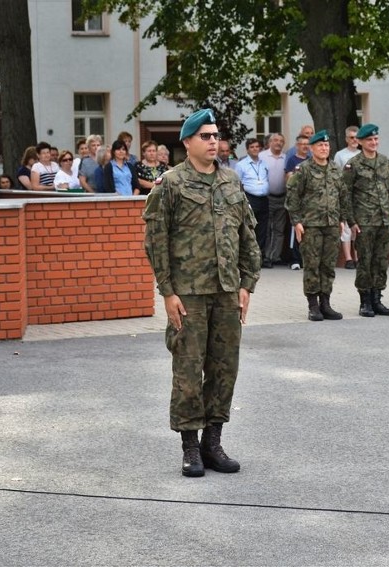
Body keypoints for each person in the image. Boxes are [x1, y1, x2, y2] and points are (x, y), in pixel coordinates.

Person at [142, 108, 261, 478]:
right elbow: (156, 241)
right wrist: (167, 292)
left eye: (216, 136)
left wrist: (247, 284)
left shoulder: (230, 181)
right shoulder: (171, 184)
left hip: (227, 292)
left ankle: (213, 442)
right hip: (188, 294)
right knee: (189, 371)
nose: (214, 141)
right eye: (205, 136)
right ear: (188, 142)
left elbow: (247, 236)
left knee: (225, 368)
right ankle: (190, 447)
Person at [286, 130, 349, 321]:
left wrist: (341, 219)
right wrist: (296, 222)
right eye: (320, 145)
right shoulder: (303, 169)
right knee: (312, 265)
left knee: (328, 265)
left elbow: (343, 196)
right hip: (311, 225)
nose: (324, 148)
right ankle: (313, 305)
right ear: (312, 148)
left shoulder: (336, 170)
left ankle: (326, 303)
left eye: (326, 145)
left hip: (331, 225)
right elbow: (292, 197)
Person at [342, 123, 389, 317]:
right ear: (360, 142)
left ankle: (377, 298)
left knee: (381, 261)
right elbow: (345, 193)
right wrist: (351, 220)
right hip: (364, 220)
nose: (374, 143)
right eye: (369, 140)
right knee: (365, 261)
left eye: (376, 139)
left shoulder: (384, 161)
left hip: (384, 220)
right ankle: (365, 301)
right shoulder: (353, 165)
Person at [236, 138, 272, 268]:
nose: (255, 149)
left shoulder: (264, 164)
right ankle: (248, 258)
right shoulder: (241, 165)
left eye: (257, 147)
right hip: (250, 198)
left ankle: (260, 257)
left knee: (263, 230)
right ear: (247, 149)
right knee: (250, 228)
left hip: (264, 199)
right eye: (252, 147)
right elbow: (238, 184)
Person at [334, 125, 361, 269]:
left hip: (359, 196)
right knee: (345, 227)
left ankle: (357, 257)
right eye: (351, 137)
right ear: (346, 139)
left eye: (356, 137)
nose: (354, 140)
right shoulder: (340, 155)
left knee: (357, 226)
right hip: (345, 194)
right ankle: (348, 258)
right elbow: (337, 175)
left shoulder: (362, 154)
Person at [259, 133, 288, 266]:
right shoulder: (262, 156)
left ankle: (275, 256)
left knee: (279, 229)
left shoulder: (286, 157)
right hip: (267, 197)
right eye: (275, 140)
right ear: (270, 142)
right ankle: (266, 256)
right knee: (268, 227)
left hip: (282, 197)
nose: (278, 143)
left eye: (281, 141)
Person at [284, 135, 311, 271]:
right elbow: (288, 178)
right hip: (296, 200)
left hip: (309, 201)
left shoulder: (311, 160)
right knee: (295, 230)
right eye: (302, 144)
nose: (305, 146)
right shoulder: (291, 160)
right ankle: (294, 259)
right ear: (297, 145)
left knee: (308, 231)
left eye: (307, 144)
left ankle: (305, 258)